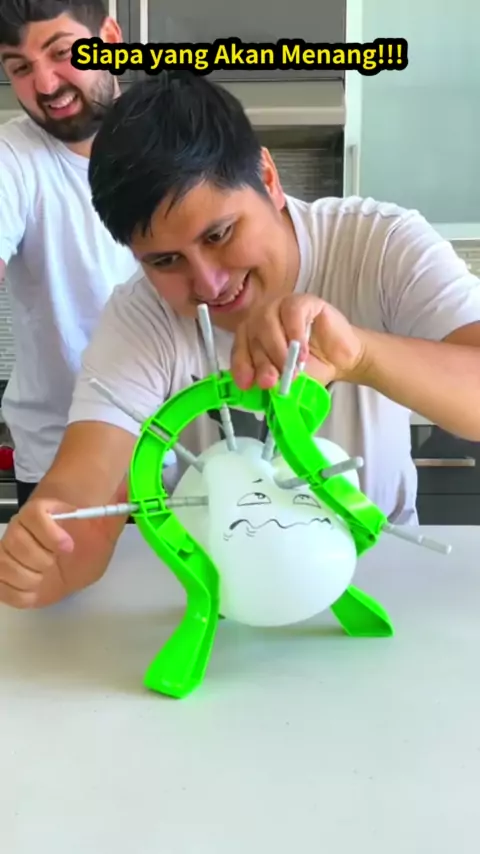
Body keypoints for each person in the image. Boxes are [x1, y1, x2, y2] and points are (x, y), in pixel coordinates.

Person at [2, 69, 480, 610]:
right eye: (165, 260)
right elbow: (83, 482)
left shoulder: (381, 244)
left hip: (385, 580)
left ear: (268, 177)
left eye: (219, 234)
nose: (208, 284)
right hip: (230, 594)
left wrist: (361, 354)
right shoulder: (140, 317)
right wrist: (51, 547)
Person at [0, 0, 140, 507]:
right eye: (20, 68)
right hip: (60, 467)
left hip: (186, 457)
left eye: (62, 53)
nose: (45, 84)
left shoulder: (173, 137)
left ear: (110, 39)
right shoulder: (12, 157)